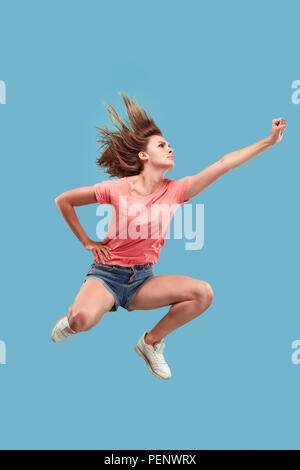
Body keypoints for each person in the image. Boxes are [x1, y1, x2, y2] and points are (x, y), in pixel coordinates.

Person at [51, 93, 287, 380]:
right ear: (144, 156)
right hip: (107, 275)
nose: (170, 149)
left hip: (142, 280)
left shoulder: (176, 190)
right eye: (162, 145)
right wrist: (87, 242)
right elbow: (64, 200)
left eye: (170, 145)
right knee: (82, 320)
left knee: (202, 293)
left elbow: (224, 163)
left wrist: (269, 141)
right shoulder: (117, 189)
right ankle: (75, 317)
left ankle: (150, 344)